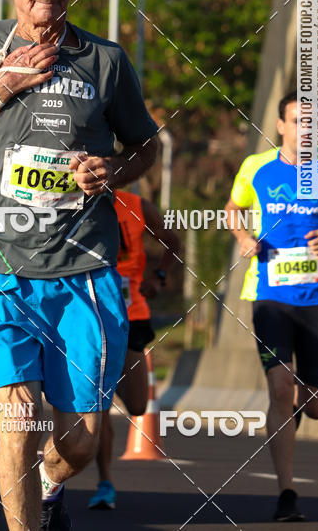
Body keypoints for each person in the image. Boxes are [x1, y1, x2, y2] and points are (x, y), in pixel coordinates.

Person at [0, 0, 158, 531]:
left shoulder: (106, 61)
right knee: (19, 415)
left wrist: (112, 167)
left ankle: (43, 487)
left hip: (82, 274)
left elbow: (147, 148)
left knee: (81, 443)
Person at [224, 90, 318, 523]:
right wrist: (243, 239)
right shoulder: (256, 168)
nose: (306, 129)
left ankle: (285, 423)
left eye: (313, 123)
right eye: (297, 121)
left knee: (315, 405)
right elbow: (233, 210)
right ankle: (286, 492)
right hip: (269, 296)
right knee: (280, 386)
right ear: (281, 126)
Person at [88, 189, 181, 510]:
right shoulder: (69, 202)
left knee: (139, 404)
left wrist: (159, 276)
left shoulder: (138, 205)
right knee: (99, 406)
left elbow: (173, 243)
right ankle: (105, 482)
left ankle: (102, 396)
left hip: (131, 314)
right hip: (90, 316)